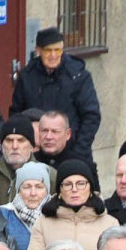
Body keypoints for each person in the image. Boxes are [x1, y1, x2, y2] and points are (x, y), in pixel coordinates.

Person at [9, 28, 101, 161]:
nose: (53, 55)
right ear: (38, 51)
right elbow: (16, 114)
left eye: (57, 50)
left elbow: (91, 116)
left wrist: (79, 152)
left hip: (73, 153)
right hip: (35, 155)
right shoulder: (27, 77)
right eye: (48, 50)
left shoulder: (78, 75)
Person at [24, 160, 117, 250]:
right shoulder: (43, 222)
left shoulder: (110, 224)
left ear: (90, 188)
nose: (74, 189)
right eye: (67, 184)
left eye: (81, 184)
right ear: (59, 191)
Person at [0, 115, 56, 205]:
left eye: (21, 140)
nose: (15, 146)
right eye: (9, 140)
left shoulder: (50, 176)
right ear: (2, 145)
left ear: (31, 146)